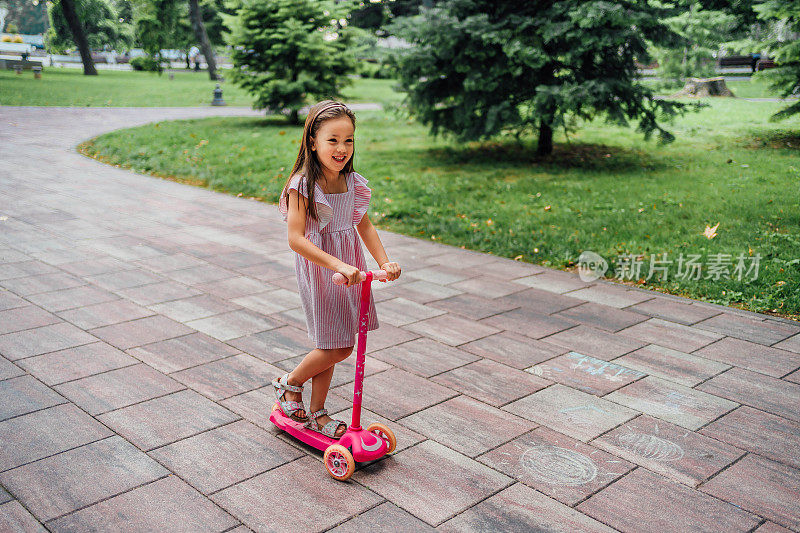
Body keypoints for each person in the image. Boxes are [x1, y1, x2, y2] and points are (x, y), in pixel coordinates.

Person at [274, 100, 401, 439]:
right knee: (338, 345)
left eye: (349, 140)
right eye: (333, 140)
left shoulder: (352, 182)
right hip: (322, 268)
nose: (342, 148)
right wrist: (338, 264)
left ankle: (317, 412)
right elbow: (296, 239)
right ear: (312, 141)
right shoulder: (302, 185)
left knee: (337, 340)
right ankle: (290, 383)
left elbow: (365, 226)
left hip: (350, 269)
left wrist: (383, 261)